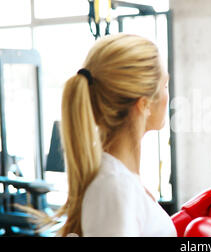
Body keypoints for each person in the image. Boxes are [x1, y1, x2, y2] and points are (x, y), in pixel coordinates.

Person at [38, 33, 176, 237]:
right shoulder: (116, 188)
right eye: (164, 86)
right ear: (144, 104)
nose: (168, 95)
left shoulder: (120, 181)